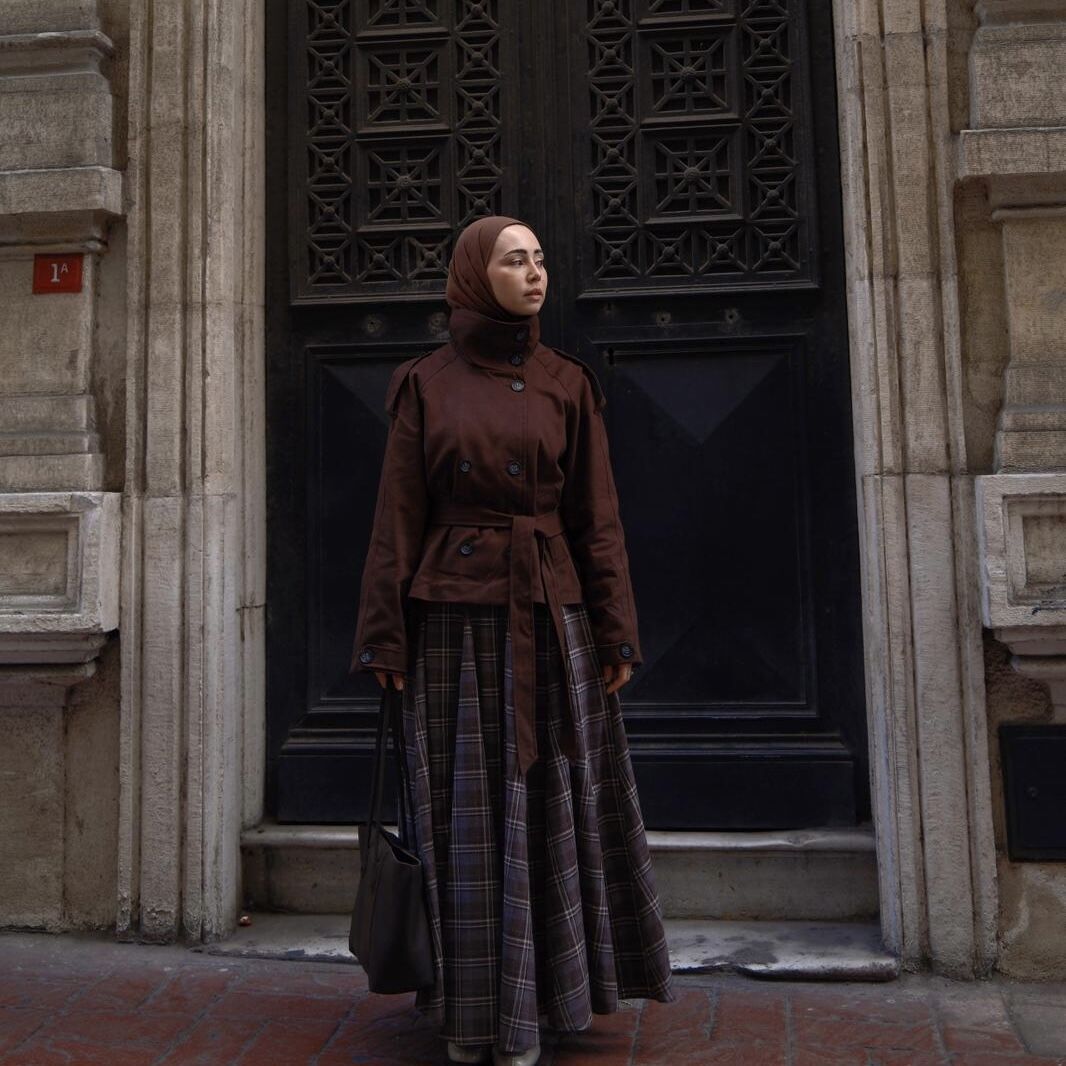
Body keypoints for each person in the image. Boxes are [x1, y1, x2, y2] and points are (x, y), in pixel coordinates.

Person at [351, 215, 675, 1066]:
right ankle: (470, 1014)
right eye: (514, 260)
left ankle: (546, 1000)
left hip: (552, 618)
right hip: (452, 622)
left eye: (539, 258)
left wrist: (616, 630)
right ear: (474, 274)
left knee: (551, 806)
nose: (535, 273)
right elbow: (397, 518)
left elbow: (597, 517)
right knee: (465, 817)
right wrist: (384, 638)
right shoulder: (424, 383)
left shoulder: (568, 382)